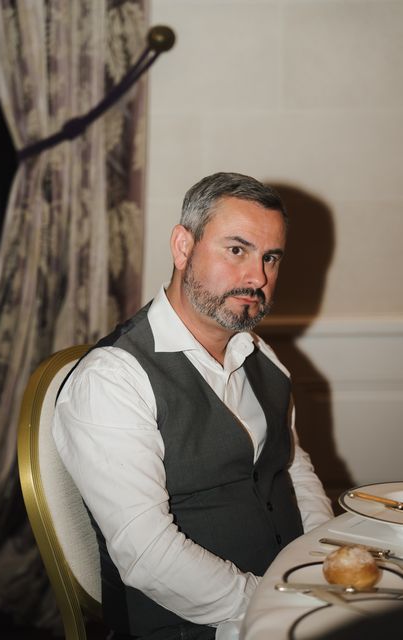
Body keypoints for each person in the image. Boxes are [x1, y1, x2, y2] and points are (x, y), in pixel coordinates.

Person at [53, 172, 333, 640]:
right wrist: (275, 601)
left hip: (294, 600)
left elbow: (291, 468)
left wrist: (323, 564)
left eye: (270, 257)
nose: (258, 277)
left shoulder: (258, 353)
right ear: (183, 247)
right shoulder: (112, 379)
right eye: (237, 250)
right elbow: (147, 555)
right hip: (197, 626)